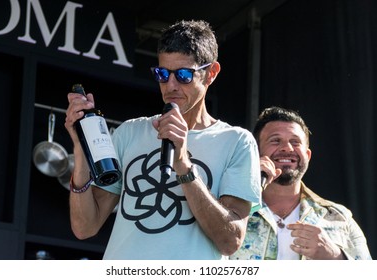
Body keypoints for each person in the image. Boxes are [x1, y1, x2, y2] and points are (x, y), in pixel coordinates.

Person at [64, 19, 261, 260]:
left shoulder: (236, 142)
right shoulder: (130, 132)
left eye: (184, 75)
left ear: (211, 73)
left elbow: (230, 241)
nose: (171, 85)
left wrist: (183, 165)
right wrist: (81, 146)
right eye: (162, 73)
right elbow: (85, 227)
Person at [231, 106, 371, 260]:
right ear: (256, 152)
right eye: (275, 140)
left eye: (295, 142)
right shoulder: (231, 210)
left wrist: (335, 256)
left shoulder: (339, 217)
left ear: (308, 155)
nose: (287, 148)